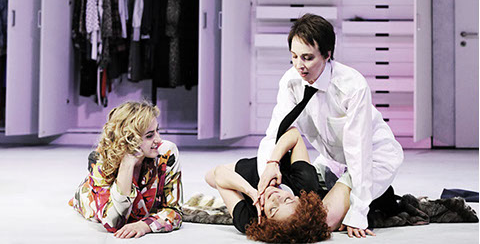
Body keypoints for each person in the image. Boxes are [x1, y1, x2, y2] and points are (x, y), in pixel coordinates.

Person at [257, 13, 404, 238]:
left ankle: (375, 198)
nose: (299, 65)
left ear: (327, 55)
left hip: (373, 158)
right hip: (333, 161)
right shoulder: (291, 81)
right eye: (294, 56)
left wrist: (358, 211)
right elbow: (275, 132)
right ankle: (369, 196)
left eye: (307, 58)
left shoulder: (352, 86)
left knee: (321, 222)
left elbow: (359, 151)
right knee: (292, 214)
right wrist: (268, 173)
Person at [206, 125, 361, 242]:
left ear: (266, 220)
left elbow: (219, 173)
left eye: (273, 209)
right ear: (298, 198)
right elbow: (294, 134)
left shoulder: (250, 220)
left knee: (210, 177)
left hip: (246, 174)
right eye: (286, 199)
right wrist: (273, 162)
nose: (275, 198)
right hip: (279, 164)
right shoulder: (305, 184)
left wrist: (250, 191)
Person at [69, 100, 182, 237]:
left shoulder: (166, 152)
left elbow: (175, 212)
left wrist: (145, 225)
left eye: (157, 130)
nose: (158, 139)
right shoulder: (100, 159)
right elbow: (113, 223)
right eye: (149, 135)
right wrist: (127, 163)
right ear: (129, 139)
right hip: (90, 199)